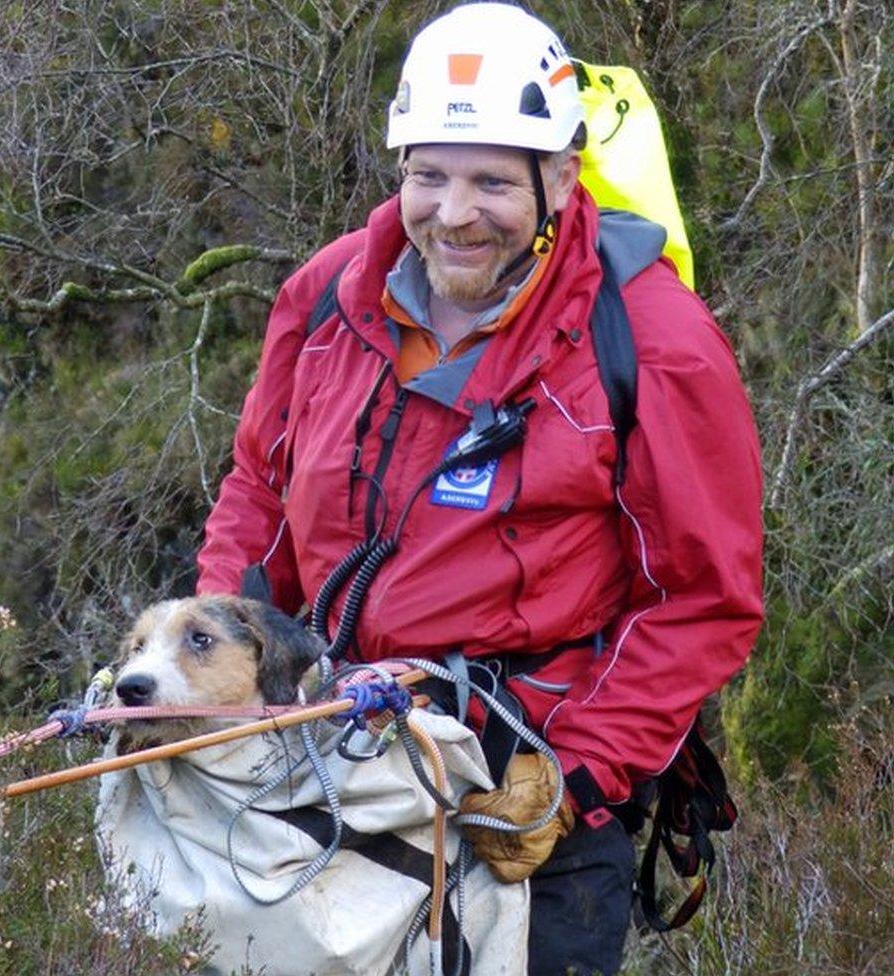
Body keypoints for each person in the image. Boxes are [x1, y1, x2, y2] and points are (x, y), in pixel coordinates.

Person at [196, 4, 764, 974]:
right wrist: (215, 646)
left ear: (560, 176)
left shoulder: (652, 345)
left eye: (493, 180)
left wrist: (572, 777)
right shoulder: (333, 297)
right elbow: (261, 480)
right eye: (428, 174)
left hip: (529, 788)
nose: (453, 212)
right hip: (337, 759)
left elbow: (702, 599)